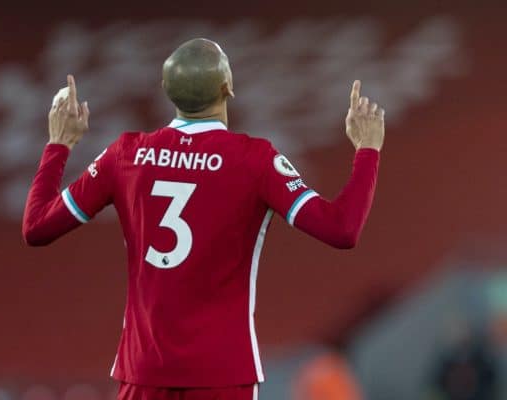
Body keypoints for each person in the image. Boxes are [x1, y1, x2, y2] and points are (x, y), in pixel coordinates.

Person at [22, 38, 384, 400]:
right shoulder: (254, 160)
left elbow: (37, 226)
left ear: (165, 91)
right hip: (223, 373)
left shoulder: (126, 155)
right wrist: (367, 150)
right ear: (228, 88)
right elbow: (341, 228)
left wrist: (59, 144)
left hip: (144, 371)